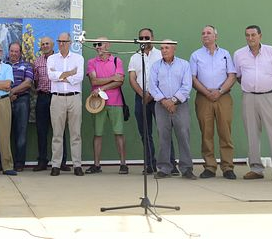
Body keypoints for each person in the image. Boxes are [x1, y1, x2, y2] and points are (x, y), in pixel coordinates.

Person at [233, 25, 272, 182]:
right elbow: (238, 76)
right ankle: (256, 168)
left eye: (253, 35)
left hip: (269, 96)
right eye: (247, 35)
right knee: (251, 133)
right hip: (249, 97)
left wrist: (266, 86)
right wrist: (252, 86)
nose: (250, 38)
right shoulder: (239, 54)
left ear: (260, 36)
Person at [128, 28, 178, 175]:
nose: (144, 40)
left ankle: (171, 164)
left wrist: (151, 93)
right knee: (145, 132)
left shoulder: (160, 54)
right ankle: (150, 164)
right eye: (141, 38)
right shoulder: (135, 57)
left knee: (164, 132)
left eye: (146, 37)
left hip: (159, 98)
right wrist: (142, 94)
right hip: (141, 98)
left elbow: (163, 76)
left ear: (152, 38)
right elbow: (132, 78)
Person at [189, 25, 237, 179]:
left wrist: (220, 91)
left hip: (223, 96)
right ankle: (209, 166)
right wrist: (207, 92)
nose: (205, 35)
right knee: (206, 133)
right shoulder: (196, 55)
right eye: (203, 33)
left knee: (225, 132)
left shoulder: (225, 54)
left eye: (208, 33)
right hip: (204, 97)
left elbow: (231, 75)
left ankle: (227, 167)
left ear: (216, 36)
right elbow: (193, 78)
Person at [149, 41, 196, 180]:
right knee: (163, 136)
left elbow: (187, 85)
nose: (164, 50)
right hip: (161, 105)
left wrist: (174, 101)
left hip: (180, 105)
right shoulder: (155, 66)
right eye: (162, 48)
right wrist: (165, 101)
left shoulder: (184, 64)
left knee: (183, 135)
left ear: (174, 49)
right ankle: (164, 168)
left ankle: (186, 168)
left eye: (167, 48)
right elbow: (152, 86)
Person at [86, 37, 127, 174]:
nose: (98, 46)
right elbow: (94, 80)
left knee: (119, 133)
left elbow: (120, 81)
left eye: (100, 44)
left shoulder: (117, 61)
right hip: (97, 103)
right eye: (95, 44)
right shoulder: (91, 62)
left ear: (108, 45)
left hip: (116, 102)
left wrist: (102, 89)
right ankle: (96, 165)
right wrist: (112, 78)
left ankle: (123, 164)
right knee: (97, 134)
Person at [48, 33, 84, 177]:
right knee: (57, 134)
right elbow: (51, 76)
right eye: (59, 41)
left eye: (64, 41)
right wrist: (70, 74)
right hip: (57, 98)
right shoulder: (51, 58)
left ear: (69, 42)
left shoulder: (78, 58)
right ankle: (56, 165)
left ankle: (77, 165)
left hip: (74, 98)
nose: (61, 44)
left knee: (76, 134)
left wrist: (61, 76)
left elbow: (79, 77)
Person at [0, 43, 17, 176]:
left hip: (3, 101)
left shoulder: (7, 67)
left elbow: (7, 86)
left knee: (4, 135)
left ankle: (7, 166)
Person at [7, 41, 33, 172]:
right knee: (3, 133)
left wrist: (12, 92)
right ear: (8, 51)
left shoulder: (26, 65)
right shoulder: (2, 65)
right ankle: (2, 162)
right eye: (12, 51)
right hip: (4, 101)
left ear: (20, 53)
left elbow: (28, 83)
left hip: (22, 100)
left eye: (16, 51)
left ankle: (19, 163)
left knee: (21, 132)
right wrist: (8, 95)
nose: (14, 54)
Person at [32, 36, 56, 172]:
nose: (45, 45)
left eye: (47, 43)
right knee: (41, 130)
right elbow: (36, 80)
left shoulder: (59, 59)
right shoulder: (37, 61)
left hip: (56, 97)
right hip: (42, 97)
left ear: (52, 45)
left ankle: (61, 161)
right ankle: (42, 161)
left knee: (58, 130)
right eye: (43, 44)